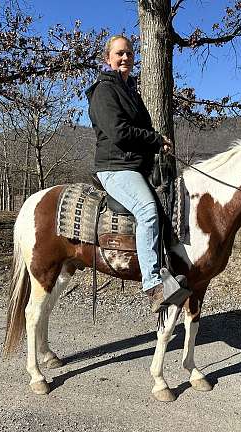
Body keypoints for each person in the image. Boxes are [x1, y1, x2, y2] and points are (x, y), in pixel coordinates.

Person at [85, 35, 188, 313]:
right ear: (108, 58)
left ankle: (171, 267)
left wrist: (158, 143)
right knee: (147, 211)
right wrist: (155, 139)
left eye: (129, 53)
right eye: (119, 53)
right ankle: (153, 285)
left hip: (134, 166)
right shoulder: (104, 91)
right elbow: (118, 132)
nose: (125, 58)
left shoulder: (130, 89)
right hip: (115, 167)